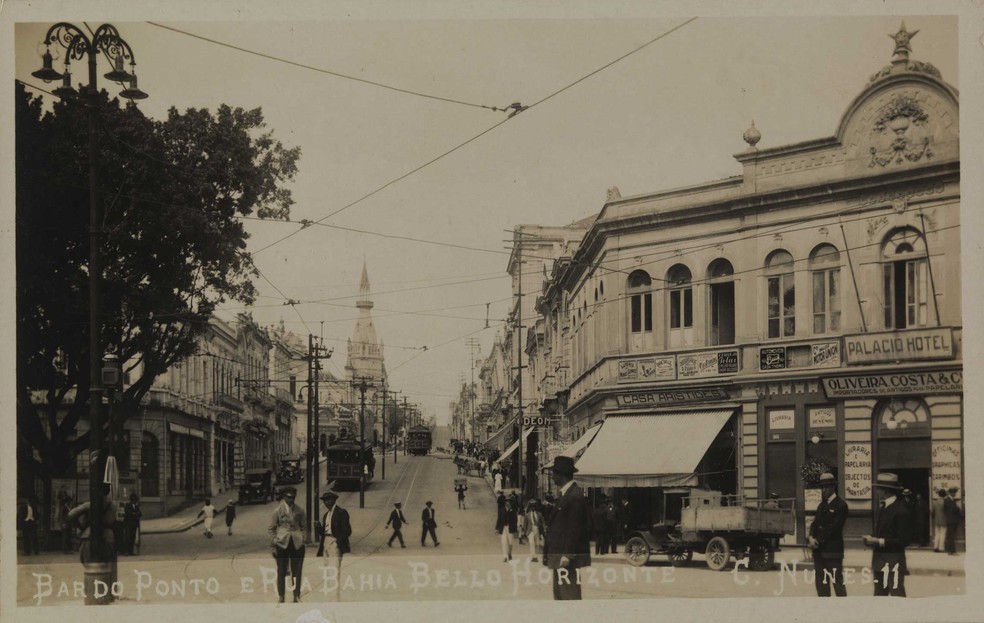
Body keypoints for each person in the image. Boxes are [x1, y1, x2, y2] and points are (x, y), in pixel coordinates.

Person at [541, 456, 592, 600]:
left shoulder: (573, 496)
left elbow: (574, 528)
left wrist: (567, 554)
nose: (552, 478)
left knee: (569, 595)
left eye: (554, 474)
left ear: (561, 475)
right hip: (560, 556)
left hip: (566, 558)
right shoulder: (567, 495)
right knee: (561, 596)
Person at [863, 472, 913, 597]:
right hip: (879, 563)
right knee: (879, 598)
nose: (877, 492)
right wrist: (871, 538)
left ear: (885, 491)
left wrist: (879, 541)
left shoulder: (901, 510)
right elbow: (882, 532)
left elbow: (905, 540)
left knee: (897, 597)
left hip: (893, 563)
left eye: (878, 489)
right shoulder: (882, 507)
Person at [68, 484, 119, 594]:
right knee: (107, 566)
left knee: (89, 566)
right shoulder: (113, 506)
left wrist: (80, 526)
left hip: (89, 536)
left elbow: (71, 514)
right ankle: (107, 592)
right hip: (108, 537)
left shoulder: (89, 505)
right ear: (108, 491)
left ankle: (92, 591)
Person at [808, 472, 848, 597]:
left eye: (826, 487)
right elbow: (815, 523)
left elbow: (834, 528)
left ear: (833, 487)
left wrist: (817, 541)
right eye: (822, 487)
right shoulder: (822, 505)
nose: (823, 490)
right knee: (821, 585)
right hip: (819, 552)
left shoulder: (841, 505)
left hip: (832, 551)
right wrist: (810, 537)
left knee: (838, 584)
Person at [268, 486, 306, 603]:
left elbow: (304, 527)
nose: (291, 499)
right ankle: (281, 595)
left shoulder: (299, 511)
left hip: (296, 543)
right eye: (289, 497)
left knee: (297, 571)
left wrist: (302, 538)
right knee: (281, 571)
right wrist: (274, 542)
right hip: (282, 543)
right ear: (284, 497)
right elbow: (271, 529)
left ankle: (296, 595)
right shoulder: (278, 511)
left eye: (293, 497)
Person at [316, 489, 352, 601]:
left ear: (334, 500)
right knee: (327, 569)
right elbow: (325, 531)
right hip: (325, 542)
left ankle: (335, 598)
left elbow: (347, 530)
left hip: (334, 542)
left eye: (329, 500)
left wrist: (337, 541)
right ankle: (330, 596)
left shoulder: (341, 512)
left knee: (334, 570)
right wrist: (318, 528)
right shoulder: (326, 515)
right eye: (325, 501)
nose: (327, 503)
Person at [497, 497, 519, 562]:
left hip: (510, 528)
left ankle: (509, 553)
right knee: (504, 542)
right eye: (506, 502)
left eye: (509, 502)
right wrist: (497, 528)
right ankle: (505, 557)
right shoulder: (501, 510)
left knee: (510, 542)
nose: (508, 503)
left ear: (510, 503)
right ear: (505, 503)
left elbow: (515, 520)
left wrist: (515, 530)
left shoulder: (513, 510)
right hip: (503, 528)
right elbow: (499, 519)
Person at [943, 486, 963, 555]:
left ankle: (951, 550)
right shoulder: (948, 500)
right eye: (954, 492)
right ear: (951, 493)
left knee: (951, 536)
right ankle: (951, 551)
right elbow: (954, 509)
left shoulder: (951, 499)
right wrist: (958, 509)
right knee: (951, 536)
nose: (955, 494)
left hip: (952, 520)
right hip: (951, 521)